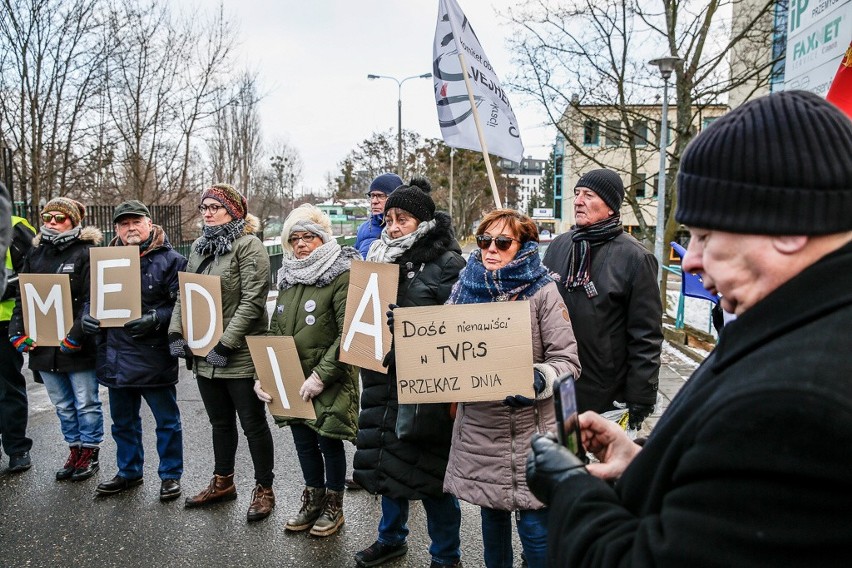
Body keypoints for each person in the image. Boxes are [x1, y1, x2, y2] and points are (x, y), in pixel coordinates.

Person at [526, 90, 852, 566]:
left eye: (704, 234)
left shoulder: (796, 405)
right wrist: (644, 463)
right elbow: (721, 503)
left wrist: (569, 485)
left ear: (788, 229)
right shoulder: (793, 324)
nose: (691, 260)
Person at [442, 209, 581, 568]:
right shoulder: (463, 288)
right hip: (482, 431)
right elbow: (441, 350)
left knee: (536, 532)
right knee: (493, 524)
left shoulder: (543, 291)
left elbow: (568, 360)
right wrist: (410, 336)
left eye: (502, 242)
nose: (491, 249)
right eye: (484, 240)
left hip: (529, 433)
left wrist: (539, 378)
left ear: (523, 247)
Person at [352, 177, 466, 568]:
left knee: (431, 476)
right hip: (382, 379)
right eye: (389, 219)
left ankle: (446, 555)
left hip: (425, 386)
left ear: (423, 221)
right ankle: (391, 538)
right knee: (388, 465)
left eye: (402, 218)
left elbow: (455, 327)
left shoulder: (448, 263)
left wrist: (408, 332)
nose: (393, 226)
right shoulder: (379, 260)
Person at [168, 183, 275, 522]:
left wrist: (225, 344)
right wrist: (175, 333)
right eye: (205, 207)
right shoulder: (200, 248)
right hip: (204, 356)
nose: (209, 212)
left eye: (216, 207)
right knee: (219, 423)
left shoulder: (249, 246)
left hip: (239, 354)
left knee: (253, 424)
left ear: (235, 211)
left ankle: (264, 488)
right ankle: (223, 482)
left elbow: (252, 301)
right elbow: (185, 295)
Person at [255, 204, 360, 537]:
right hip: (291, 378)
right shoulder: (287, 276)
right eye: (295, 238)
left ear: (323, 238)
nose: (301, 244)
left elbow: (350, 334)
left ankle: (333, 505)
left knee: (328, 441)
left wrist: (321, 375)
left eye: (309, 237)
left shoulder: (343, 274)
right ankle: (312, 499)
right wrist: (266, 374)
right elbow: (275, 331)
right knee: (303, 442)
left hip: (328, 378)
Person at [80, 201, 187, 500]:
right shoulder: (103, 261)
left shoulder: (171, 260)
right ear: (115, 228)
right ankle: (129, 472)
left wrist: (156, 319)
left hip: (152, 354)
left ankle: (170, 475)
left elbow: (181, 305)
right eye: (123, 223)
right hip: (114, 355)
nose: (130, 228)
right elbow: (91, 299)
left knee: (167, 422)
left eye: (136, 222)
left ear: (149, 224)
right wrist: (87, 316)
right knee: (123, 423)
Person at [543, 169, 662, 429]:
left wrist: (641, 395)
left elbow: (646, 335)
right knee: (558, 463)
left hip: (606, 393)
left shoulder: (635, 258)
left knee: (601, 467)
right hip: (556, 383)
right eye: (576, 194)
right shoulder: (559, 245)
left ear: (610, 207)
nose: (578, 201)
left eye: (588, 195)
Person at [8, 197, 104, 481]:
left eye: (59, 218)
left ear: (73, 221)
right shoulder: (35, 253)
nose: (52, 222)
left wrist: (75, 337)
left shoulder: (86, 252)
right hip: (43, 346)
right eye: (47, 217)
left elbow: (92, 300)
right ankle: (73, 449)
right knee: (61, 403)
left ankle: (89, 450)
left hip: (77, 345)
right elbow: (22, 297)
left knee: (86, 401)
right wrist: (16, 333)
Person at [0, 184, 36, 473]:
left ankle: (16, 448)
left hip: (5, 320)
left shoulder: (16, 227)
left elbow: (34, 272)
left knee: (8, 386)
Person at [354, 173, 403, 259]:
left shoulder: (404, 227)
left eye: (380, 196)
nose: (374, 201)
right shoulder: (363, 228)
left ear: (394, 197)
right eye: (372, 196)